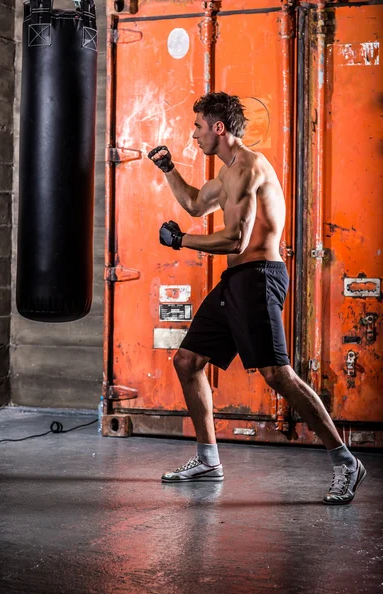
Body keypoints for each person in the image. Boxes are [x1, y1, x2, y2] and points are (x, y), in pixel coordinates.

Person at [148, 92, 366, 504]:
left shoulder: (249, 169)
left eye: (198, 127)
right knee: (187, 361)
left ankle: (345, 461)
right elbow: (195, 204)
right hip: (236, 280)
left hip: (260, 277)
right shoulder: (227, 173)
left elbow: (236, 238)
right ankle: (208, 459)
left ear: (218, 128)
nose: (192, 135)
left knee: (277, 375)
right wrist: (168, 169)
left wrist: (181, 242)